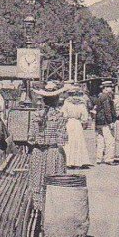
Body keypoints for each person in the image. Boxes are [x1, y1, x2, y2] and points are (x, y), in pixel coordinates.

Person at [28, 81, 69, 209]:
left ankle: (38, 205)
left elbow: (31, 138)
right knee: (54, 178)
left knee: (37, 178)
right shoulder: (60, 116)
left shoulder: (35, 115)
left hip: (38, 152)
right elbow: (62, 139)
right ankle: (53, 206)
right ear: (56, 100)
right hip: (54, 151)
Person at [62, 86, 91, 168]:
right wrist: (83, 122)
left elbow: (63, 114)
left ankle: (69, 161)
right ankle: (78, 162)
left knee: (69, 141)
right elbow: (85, 116)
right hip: (77, 123)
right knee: (78, 141)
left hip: (69, 122)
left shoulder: (66, 103)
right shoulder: (81, 103)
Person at [94, 80, 119, 165]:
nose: (112, 89)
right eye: (110, 87)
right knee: (110, 141)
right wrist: (110, 121)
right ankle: (109, 159)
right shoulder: (106, 97)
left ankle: (99, 158)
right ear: (105, 88)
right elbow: (107, 110)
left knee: (100, 141)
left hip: (99, 122)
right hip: (105, 122)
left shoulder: (100, 96)